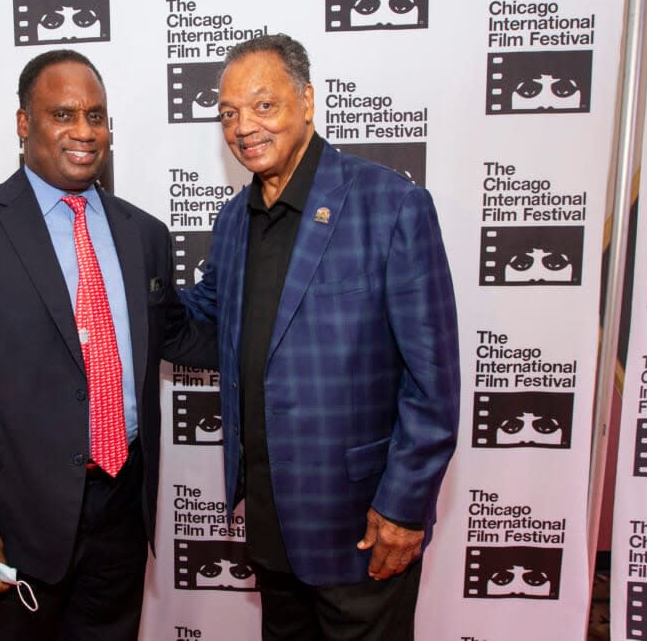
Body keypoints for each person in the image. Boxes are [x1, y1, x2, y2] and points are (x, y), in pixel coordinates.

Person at [0, 49, 215, 640]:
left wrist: (277, 326)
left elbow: (175, 332)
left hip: (121, 510)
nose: (84, 132)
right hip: (11, 518)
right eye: (63, 114)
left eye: (96, 116)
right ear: (24, 123)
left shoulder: (143, 232)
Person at [181, 34, 460, 640]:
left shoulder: (390, 205)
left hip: (362, 526)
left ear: (306, 101)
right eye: (228, 113)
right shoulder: (234, 220)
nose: (243, 126)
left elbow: (433, 383)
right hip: (271, 522)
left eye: (262, 105)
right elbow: (204, 320)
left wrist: (403, 509)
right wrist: (117, 285)